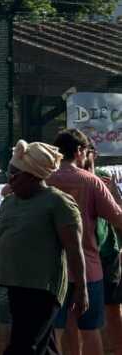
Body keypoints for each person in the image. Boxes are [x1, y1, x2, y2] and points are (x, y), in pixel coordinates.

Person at [0, 139, 85, 355]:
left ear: (33, 176)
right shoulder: (9, 203)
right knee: (43, 346)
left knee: (22, 347)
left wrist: (82, 290)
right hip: (16, 287)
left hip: (43, 290)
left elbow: (74, 249)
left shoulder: (58, 203)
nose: (9, 179)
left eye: (15, 175)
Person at [48, 129, 122, 355]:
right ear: (79, 151)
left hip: (52, 271)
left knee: (54, 331)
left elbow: (8, 191)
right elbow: (118, 218)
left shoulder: (42, 178)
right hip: (89, 269)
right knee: (90, 329)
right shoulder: (92, 182)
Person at [85, 143, 122, 355]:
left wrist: (108, 191)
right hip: (80, 255)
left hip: (107, 252)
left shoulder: (102, 175)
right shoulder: (69, 177)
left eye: (88, 151)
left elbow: (117, 211)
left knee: (113, 305)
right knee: (80, 310)